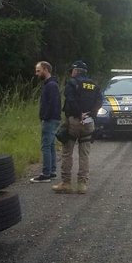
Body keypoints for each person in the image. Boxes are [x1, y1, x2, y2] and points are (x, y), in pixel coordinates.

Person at [52, 60, 102, 194]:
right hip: (89, 122)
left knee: (67, 152)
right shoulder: (94, 85)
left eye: (72, 70)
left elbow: (71, 100)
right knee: (84, 154)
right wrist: (90, 114)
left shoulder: (72, 83)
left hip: (74, 121)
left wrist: (79, 114)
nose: (71, 73)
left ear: (75, 71)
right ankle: (82, 185)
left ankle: (66, 183)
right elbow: (100, 101)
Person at [30, 61, 61, 183]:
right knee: (51, 145)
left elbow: (52, 104)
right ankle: (52, 171)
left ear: (46, 70)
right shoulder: (51, 84)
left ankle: (46, 173)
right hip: (53, 118)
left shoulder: (51, 85)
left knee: (46, 146)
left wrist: (45, 117)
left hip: (50, 119)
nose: (36, 73)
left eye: (38, 71)